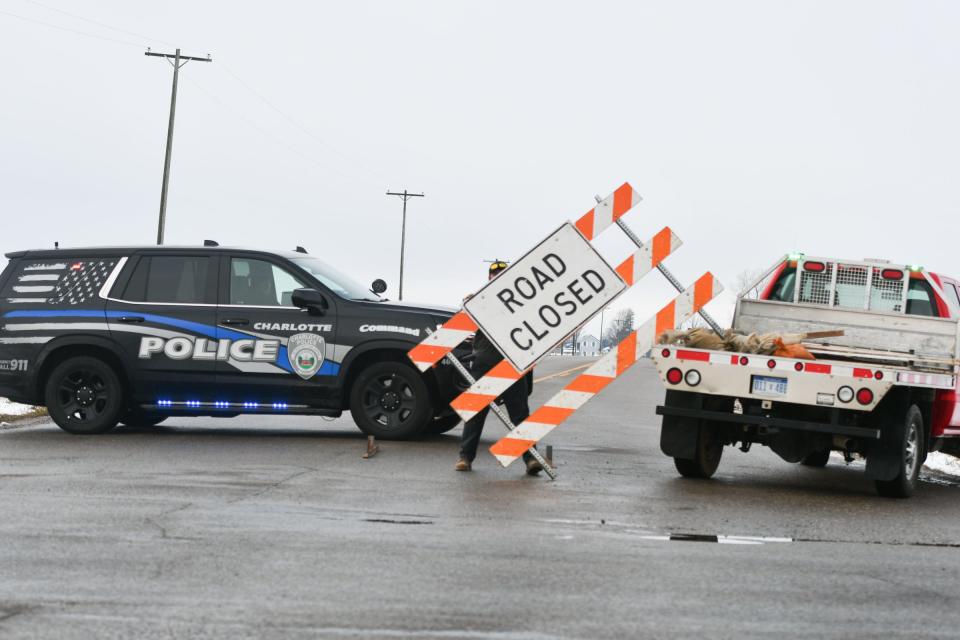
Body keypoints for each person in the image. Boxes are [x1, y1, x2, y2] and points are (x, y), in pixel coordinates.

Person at [455, 260, 543, 475]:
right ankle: (465, 458)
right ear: (489, 278)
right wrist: (469, 302)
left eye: (503, 274)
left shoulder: (524, 301)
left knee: (520, 415)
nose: (498, 277)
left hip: (513, 363)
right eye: (494, 274)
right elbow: (464, 317)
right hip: (484, 362)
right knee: (476, 413)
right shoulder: (479, 301)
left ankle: (532, 459)